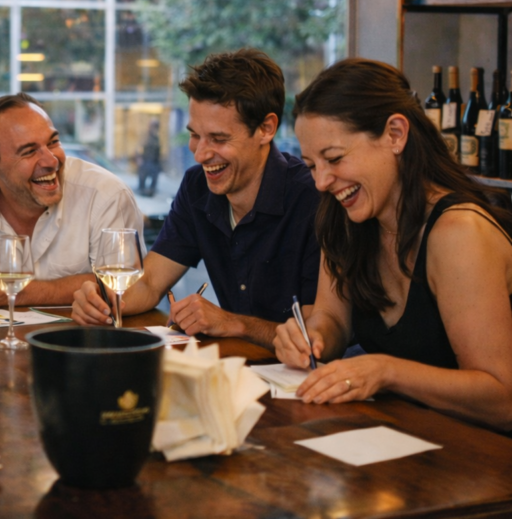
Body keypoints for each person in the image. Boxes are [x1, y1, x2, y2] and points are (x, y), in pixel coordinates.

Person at [274, 58, 512, 430]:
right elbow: (333, 317)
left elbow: (503, 397)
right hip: (417, 442)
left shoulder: (459, 232)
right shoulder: (345, 218)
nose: (321, 182)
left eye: (334, 159)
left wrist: (386, 371)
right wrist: (311, 337)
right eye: (311, 165)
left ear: (396, 135)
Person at [72, 49, 320, 349]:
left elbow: (315, 339)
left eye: (218, 139)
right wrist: (100, 300)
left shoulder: (312, 198)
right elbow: (148, 284)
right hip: (239, 371)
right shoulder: (196, 186)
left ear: (266, 128)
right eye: (194, 135)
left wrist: (232, 323)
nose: (200, 154)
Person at [0, 93, 145, 308]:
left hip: (84, 337)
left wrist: (22, 293)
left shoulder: (106, 194)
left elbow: (126, 289)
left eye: (53, 142)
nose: (52, 161)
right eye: (29, 151)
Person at [136, 118, 162, 197]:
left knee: (155, 176)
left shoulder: (156, 138)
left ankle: (151, 190)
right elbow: (139, 148)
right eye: (153, 126)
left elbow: (158, 151)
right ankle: (142, 189)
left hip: (154, 161)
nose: (154, 128)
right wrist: (139, 158)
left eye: (156, 126)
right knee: (143, 176)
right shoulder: (145, 136)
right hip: (145, 160)